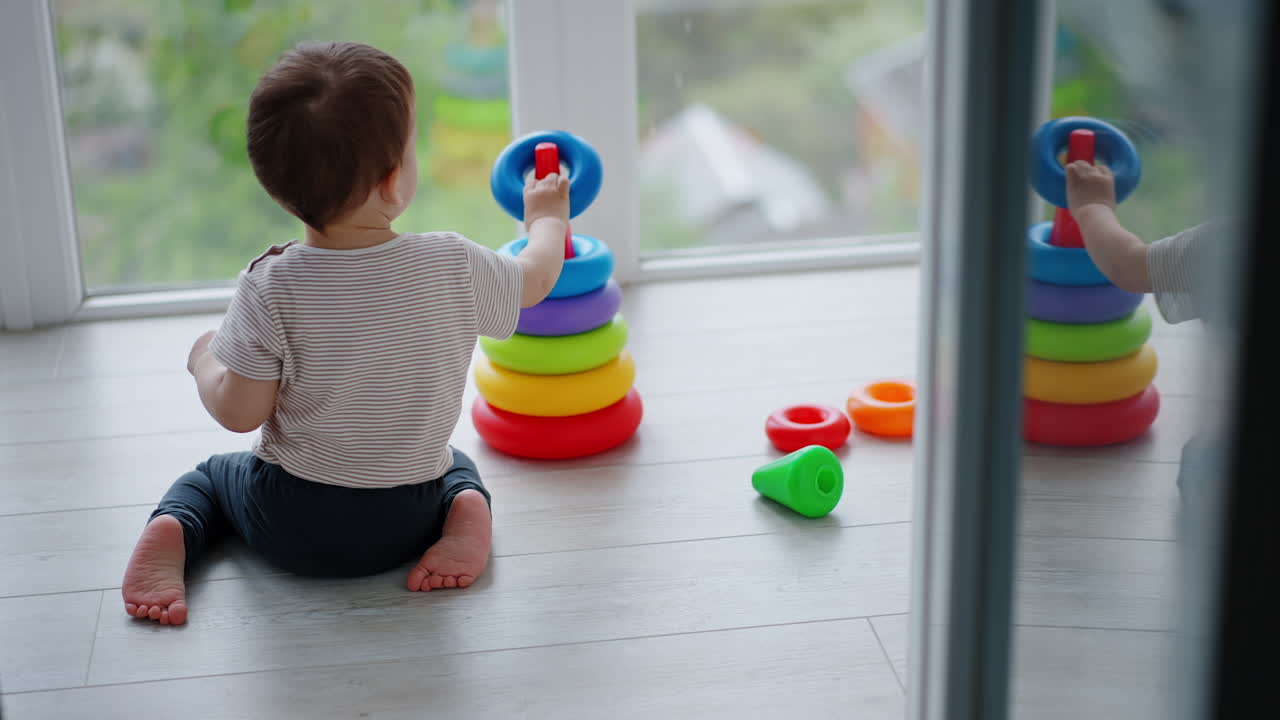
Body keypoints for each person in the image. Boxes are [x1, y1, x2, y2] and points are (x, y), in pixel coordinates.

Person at [120, 41, 571, 625]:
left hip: (290, 523)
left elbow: (240, 412)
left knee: (208, 479)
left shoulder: (271, 284)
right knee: (457, 465)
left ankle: (174, 533)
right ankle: (464, 513)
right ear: (392, 180)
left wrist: (205, 361)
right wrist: (547, 217)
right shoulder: (451, 264)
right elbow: (534, 278)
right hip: (408, 517)